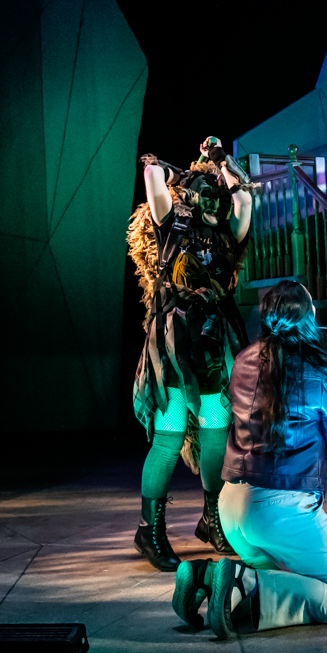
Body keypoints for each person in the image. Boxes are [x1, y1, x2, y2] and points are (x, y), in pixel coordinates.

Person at [171, 280, 327, 638]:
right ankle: (241, 579)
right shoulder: (320, 370)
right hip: (280, 509)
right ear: (307, 317)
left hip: (231, 506)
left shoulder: (243, 360)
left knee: (281, 580)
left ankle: (207, 578)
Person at [127, 138, 253, 570]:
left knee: (216, 430)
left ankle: (213, 519)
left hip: (213, 341)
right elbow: (151, 175)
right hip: (176, 342)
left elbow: (244, 198)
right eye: (202, 190)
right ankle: (149, 530)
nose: (211, 195)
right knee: (169, 435)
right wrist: (177, 172)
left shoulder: (228, 232)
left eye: (216, 189)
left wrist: (221, 160)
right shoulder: (172, 223)